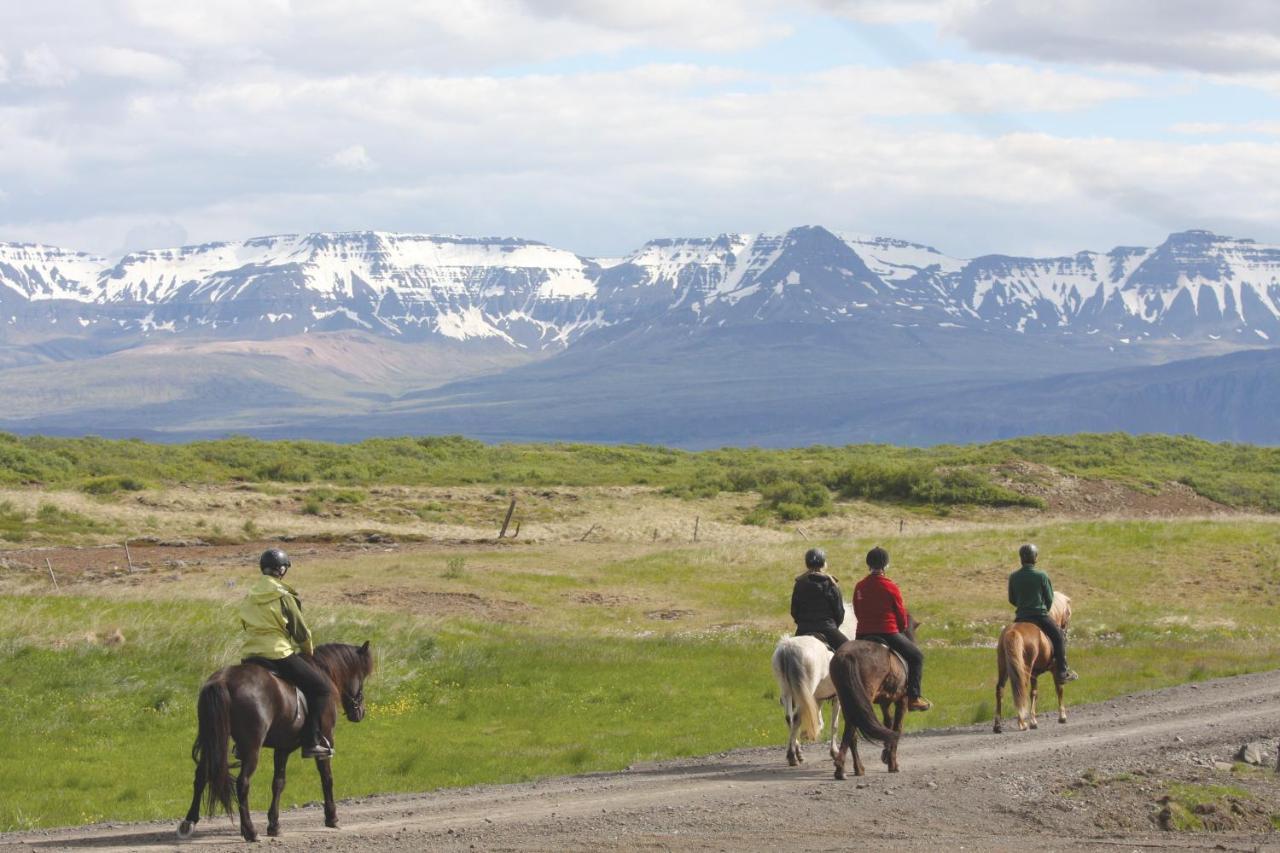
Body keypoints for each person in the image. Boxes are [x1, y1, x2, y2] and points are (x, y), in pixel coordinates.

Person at [239, 548, 336, 759]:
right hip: (277, 653)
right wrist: (308, 650)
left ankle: (240, 743)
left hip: (250, 655)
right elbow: (299, 630)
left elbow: (245, 624)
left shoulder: (250, 594)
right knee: (321, 689)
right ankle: (311, 742)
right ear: (282, 570)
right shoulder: (283, 595)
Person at [853, 546, 931, 711]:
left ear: (868, 565)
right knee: (917, 657)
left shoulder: (860, 586)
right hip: (887, 632)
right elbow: (901, 614)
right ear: (885, 565)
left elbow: (857, 611)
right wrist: (902, 628)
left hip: (863, 634)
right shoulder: (891, 587)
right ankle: (914, 697)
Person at [1008, 543, 1079, 682]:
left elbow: (1012, 599)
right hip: (1039, 616)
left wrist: (1023, 607)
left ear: (1021, 558)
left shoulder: (1014, 576)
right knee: (1058, 636)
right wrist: (1042, 609)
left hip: (1021, 617)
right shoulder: (1041, 575)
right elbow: (1049, 599)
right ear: (1035, 558)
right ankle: (1062, 672)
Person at [790, 547, 848, 651]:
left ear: (807, 563)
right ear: (823, 563)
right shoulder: (831, 584)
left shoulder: (799, 584)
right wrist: (834, 626)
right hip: (828, 628)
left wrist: (804, 624)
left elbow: (794, 611)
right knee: (850, 650)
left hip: (804, 629)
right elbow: (839, 612)